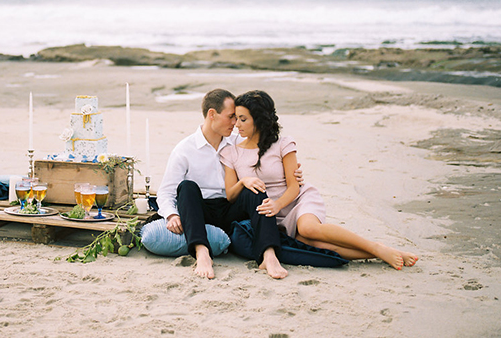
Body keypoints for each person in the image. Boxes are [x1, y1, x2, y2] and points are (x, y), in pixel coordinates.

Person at [220, 90, 419, 271]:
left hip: (295, 201)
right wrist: (244, 180)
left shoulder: (283, 144)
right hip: (269, 214)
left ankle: (377, 247)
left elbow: (294, 186)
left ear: (259, 120)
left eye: (243, 119)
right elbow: (230, 195)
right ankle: (378, 254)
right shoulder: (231, 152)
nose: (237, 124)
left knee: (308, 229)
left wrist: (277, 204)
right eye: (236, 118)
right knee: (313, 244)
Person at [157, 88, 300, 279]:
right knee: (187, 187)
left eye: (237, 118)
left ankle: (269, 255)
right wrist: (171, 215)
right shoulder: (184, 149)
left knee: (255, 187)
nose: (235, 123)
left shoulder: (237, 142)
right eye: (231, 116)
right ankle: (202, 253)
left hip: (232, 206)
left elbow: (269, 158)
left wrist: (294, 172)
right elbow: (166, 191)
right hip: (200, 210)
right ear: (212, 115)